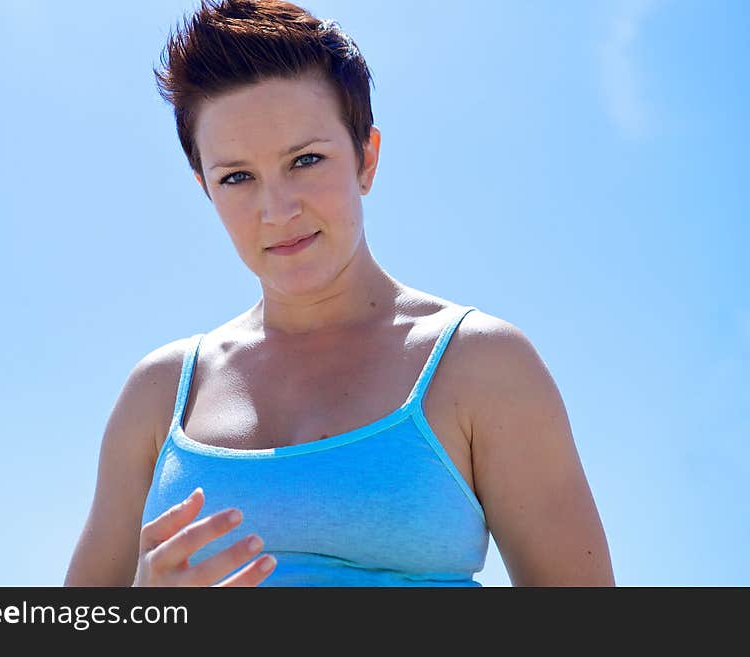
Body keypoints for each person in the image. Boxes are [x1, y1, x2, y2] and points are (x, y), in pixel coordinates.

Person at [64, 0, 614, 587]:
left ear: (366, 160)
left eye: (306, 160)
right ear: (205, 188)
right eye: (237, 177)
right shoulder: (159, 393)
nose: (277, 210)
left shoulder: (481, 364)